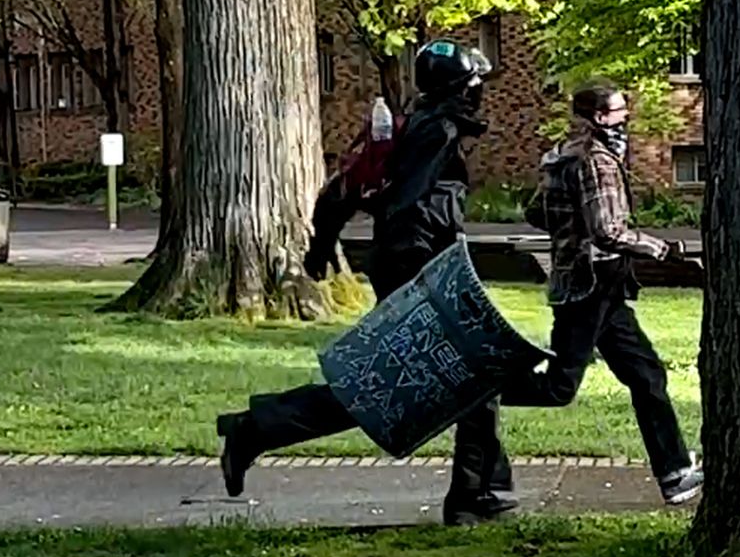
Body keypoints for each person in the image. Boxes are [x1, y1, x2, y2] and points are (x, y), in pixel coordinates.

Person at [216, 40, 523, 526]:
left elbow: (343, 193)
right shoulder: (437, 131)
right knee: (391, 389)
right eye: (473, 84)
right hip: (418, 272)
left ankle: (477, 488)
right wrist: (429, 278)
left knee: (466, 378)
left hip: (407, 267)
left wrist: (321, 252)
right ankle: (254, 430)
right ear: (461, 90)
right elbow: (410, 207)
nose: (479, 91)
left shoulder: (414, 122)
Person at [500, 83, 705, 507]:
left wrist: (567, 225)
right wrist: (661, 249)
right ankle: (484, 393)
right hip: (590, 287)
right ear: (598, 117)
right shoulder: (597, 162)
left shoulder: (563, 156)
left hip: (598, 289)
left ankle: (675, 473)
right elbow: (608, 232)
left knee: (647, 375)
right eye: (618, 112)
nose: (625, 118)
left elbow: (535, 212)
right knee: (560, 389)